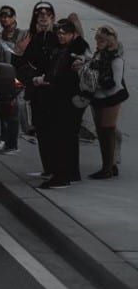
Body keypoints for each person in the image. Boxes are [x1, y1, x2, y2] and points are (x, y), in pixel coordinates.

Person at [39, 18, 91, 189]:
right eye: (59, 33)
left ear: (72, 34)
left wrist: (49, 81)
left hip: (66, 99)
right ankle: (71, 172)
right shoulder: (63, 50)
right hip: (62, 97)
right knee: (68, 137)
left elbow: (66, 75)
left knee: (62, 137)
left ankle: (62, 175)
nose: (60, 36)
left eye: (64, 33)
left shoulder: (75, 51)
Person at [16, 0, 59, 178]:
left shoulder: (59, 37)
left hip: (55, 93)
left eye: (47, 13)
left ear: (52, 17)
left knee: (55, 132)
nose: (43, 16)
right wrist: (31, 79)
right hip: (37, 92)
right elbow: (21, 65)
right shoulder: (31, 39)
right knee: (41, 130)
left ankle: (59, 170)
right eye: (39, 13)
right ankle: (48, 168)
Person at [0, 5, 28, 154]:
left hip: (15, 78)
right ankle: (3, 138)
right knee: (2, 111)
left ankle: (12, 144)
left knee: (12, 111)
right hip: (1, 78)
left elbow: (24, 57)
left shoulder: (23, 35)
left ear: (14, 17)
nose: (5, 19)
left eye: (8, 16)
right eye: (2, 16)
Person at [87, 25, 127, 179]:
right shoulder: (99, 54)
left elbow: (115, 84)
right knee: (102, 132)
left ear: (110, 40)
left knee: (107, 131)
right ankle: (110, 165)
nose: (97, 41)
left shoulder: (116, 59)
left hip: (111, 98)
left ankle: (107, 169)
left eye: (101, 39)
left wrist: (97, 82)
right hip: (98, 97)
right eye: (97, 38)